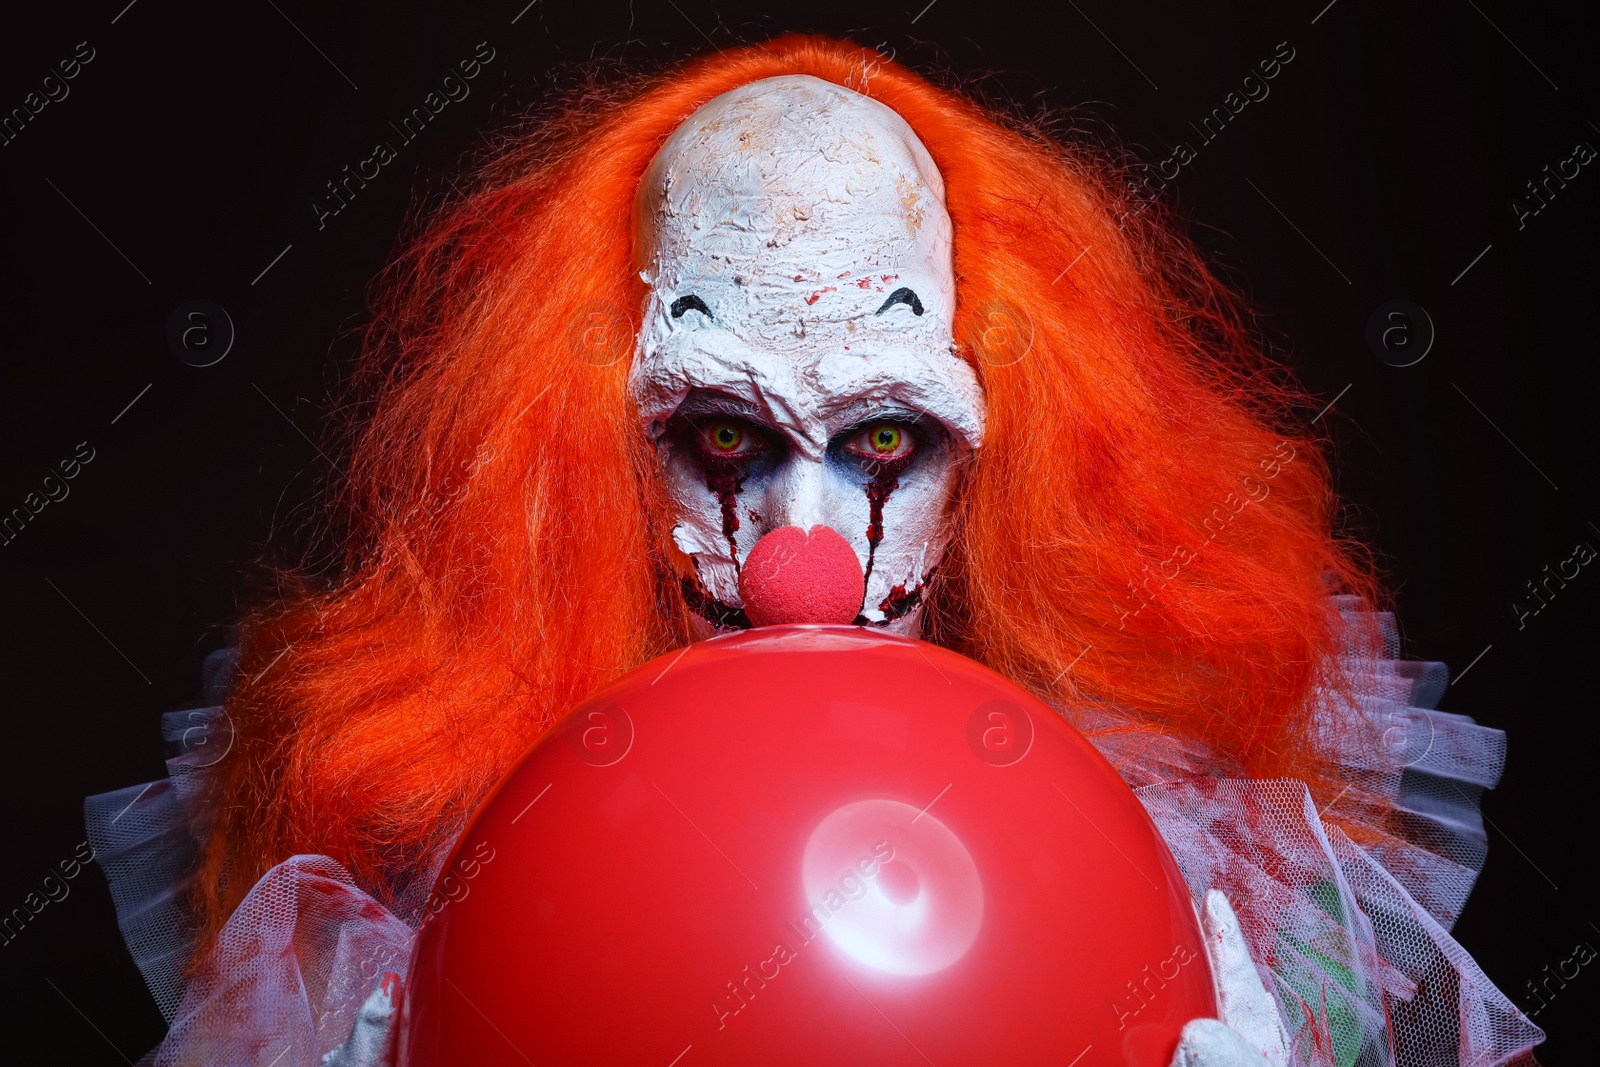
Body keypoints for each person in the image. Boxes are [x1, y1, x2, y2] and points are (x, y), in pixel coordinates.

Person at [85, 34, 1541, 1067]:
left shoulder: (1229, 890)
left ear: (1011, 447)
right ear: (581, 448)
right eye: (722, 438)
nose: (806, 557)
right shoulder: (412, 886)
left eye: (888, 442)